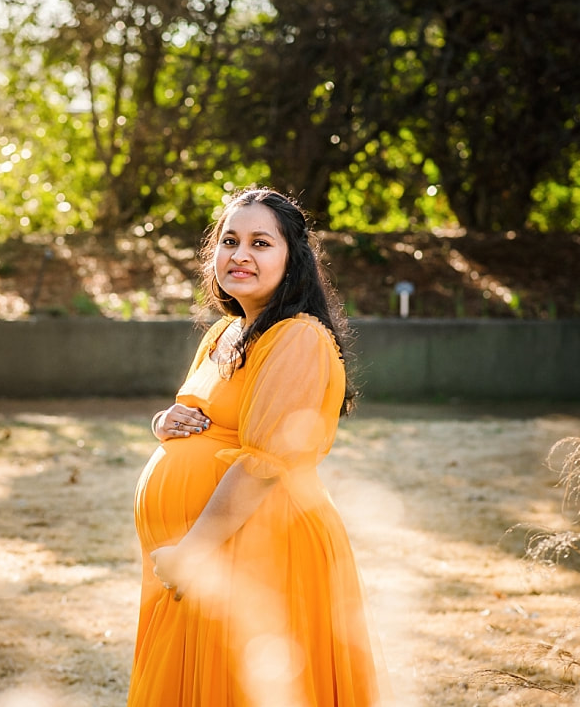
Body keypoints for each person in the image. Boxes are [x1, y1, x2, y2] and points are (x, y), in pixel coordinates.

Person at [129, 188, 391, 706]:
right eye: (229, 241)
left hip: (259, 549)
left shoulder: (298, 337)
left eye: (260, 243)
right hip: (203, 556)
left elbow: (263, 464)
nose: (240, 255)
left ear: (294, 259)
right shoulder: (226, 332)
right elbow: (210, 417)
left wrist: (192, 554)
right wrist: (166, 423)